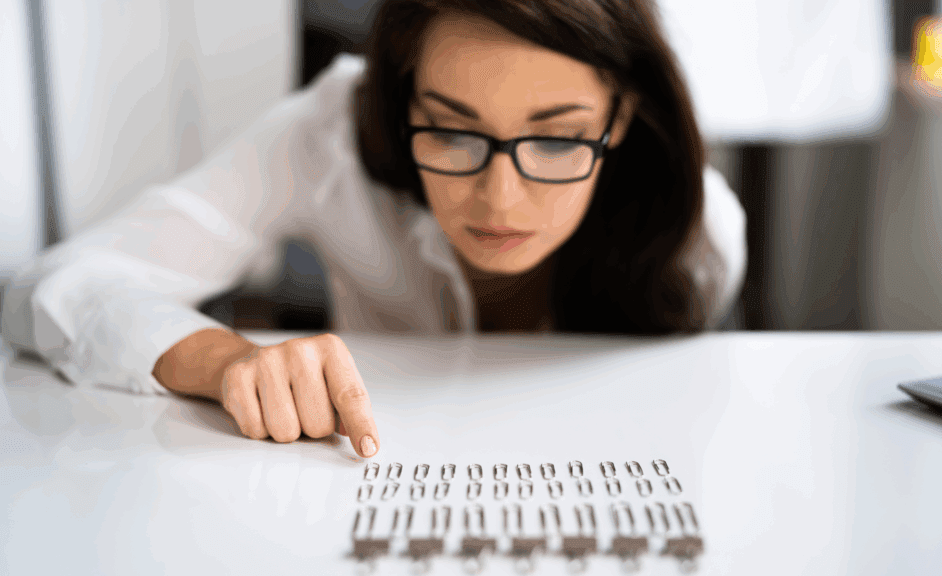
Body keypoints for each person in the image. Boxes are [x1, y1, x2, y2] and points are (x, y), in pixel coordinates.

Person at [0, 0, 746, 459]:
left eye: (557, 140)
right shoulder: (331, 130)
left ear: (622, 115)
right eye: (453, 132)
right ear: (402, 101)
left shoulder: (702, 235)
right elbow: (54, 286)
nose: (500, 198)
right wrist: (227, 361)